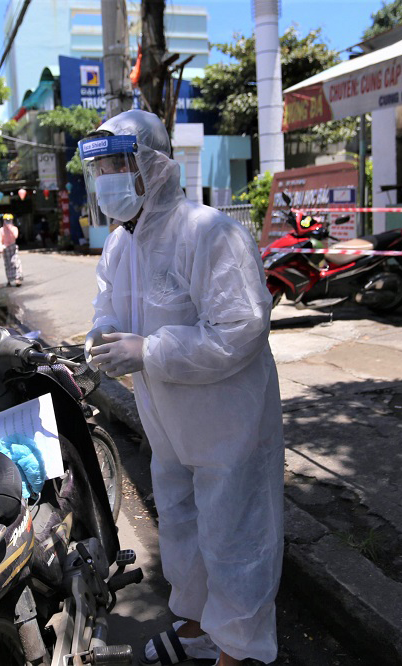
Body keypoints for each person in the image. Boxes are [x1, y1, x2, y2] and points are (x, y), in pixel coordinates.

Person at [82, 110, 284, 666]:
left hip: (227, 423)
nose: (107, 179)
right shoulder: (120, 246)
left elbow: (239, 331)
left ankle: (239, 652)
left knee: (235, 535)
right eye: (100, 167)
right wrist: (99, 342)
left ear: (152, 164)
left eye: (117, 163)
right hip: (167, 419)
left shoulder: (210, 232)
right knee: (181, 525)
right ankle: (197, 630)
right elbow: (109, 310)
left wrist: (148, 350)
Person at [0, 213, 24, 287]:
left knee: (16, 262)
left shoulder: (14, 228)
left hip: (12, 247)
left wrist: (10, 229)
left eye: (9, 220)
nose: (8, 222)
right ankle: (9, 279)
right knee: (8, 264)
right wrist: (0, 247)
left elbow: (15, 236)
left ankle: (18, 278)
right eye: (6, 220)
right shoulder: (1, 230)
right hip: (5, 249)